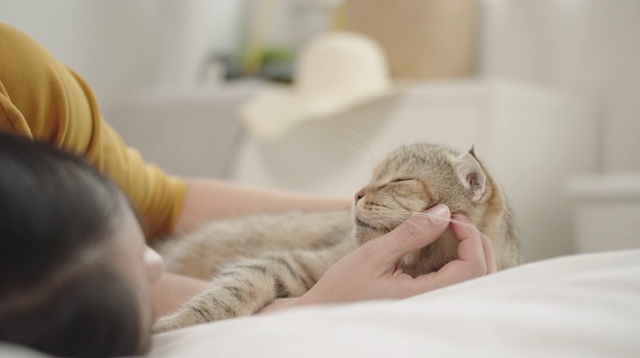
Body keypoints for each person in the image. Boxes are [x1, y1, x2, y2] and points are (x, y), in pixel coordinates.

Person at [0, 23, 496, 356]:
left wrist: (376, 214)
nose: (153, 262)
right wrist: (306, 310)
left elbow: (166, 200)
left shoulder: (22, 81)